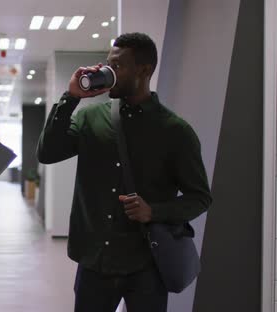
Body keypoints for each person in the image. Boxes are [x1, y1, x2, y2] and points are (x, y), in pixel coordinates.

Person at [37, 32, 212, 312]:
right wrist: (70, 97)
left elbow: (200, 197)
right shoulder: (89, 118)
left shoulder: (175, 131)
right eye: (107, 63)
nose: (108, 71)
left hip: (146, 264)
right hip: (94, 261)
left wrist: (153, 211)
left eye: (117, 65)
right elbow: (47, 153)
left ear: (144, 70)